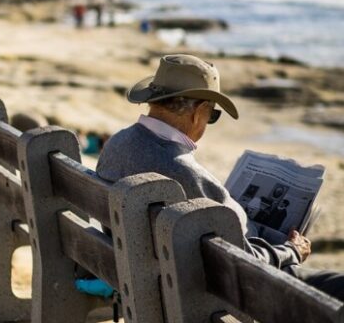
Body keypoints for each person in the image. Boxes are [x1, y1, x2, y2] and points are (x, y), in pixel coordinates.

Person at [96, 54, 344, 301]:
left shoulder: (116, 144)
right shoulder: (184, 173)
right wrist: (291, 251)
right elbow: (246, 264)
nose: (206, 122)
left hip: (148, 280)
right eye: (211, 115)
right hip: (208, 291)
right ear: (198, 112)